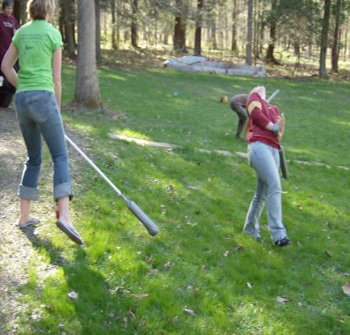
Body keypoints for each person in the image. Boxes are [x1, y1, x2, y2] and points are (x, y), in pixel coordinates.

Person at [1, 0, 83, 245]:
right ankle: (65, 216)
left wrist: (22, 85)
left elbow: (5, 66)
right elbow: (57, 81)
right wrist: (56, 110)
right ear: (49, 10)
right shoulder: (53, 33)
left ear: (29, 10)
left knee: (33, 157)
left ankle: (23, 216)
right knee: (60, 155)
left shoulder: (21, 32)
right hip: (45, 99)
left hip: (23, 101)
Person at [243, 86, 290, 247]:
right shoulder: (254, 98)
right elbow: (255, 115)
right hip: (259, 147)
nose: (262, 86)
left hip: (274, 149)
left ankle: (249, 231)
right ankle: (278, 234)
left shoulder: (274, 109)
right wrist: (272, 126)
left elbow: (279, 136)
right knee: (275, 185)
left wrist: (280, 128)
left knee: (261, 194)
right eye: (258, 86)